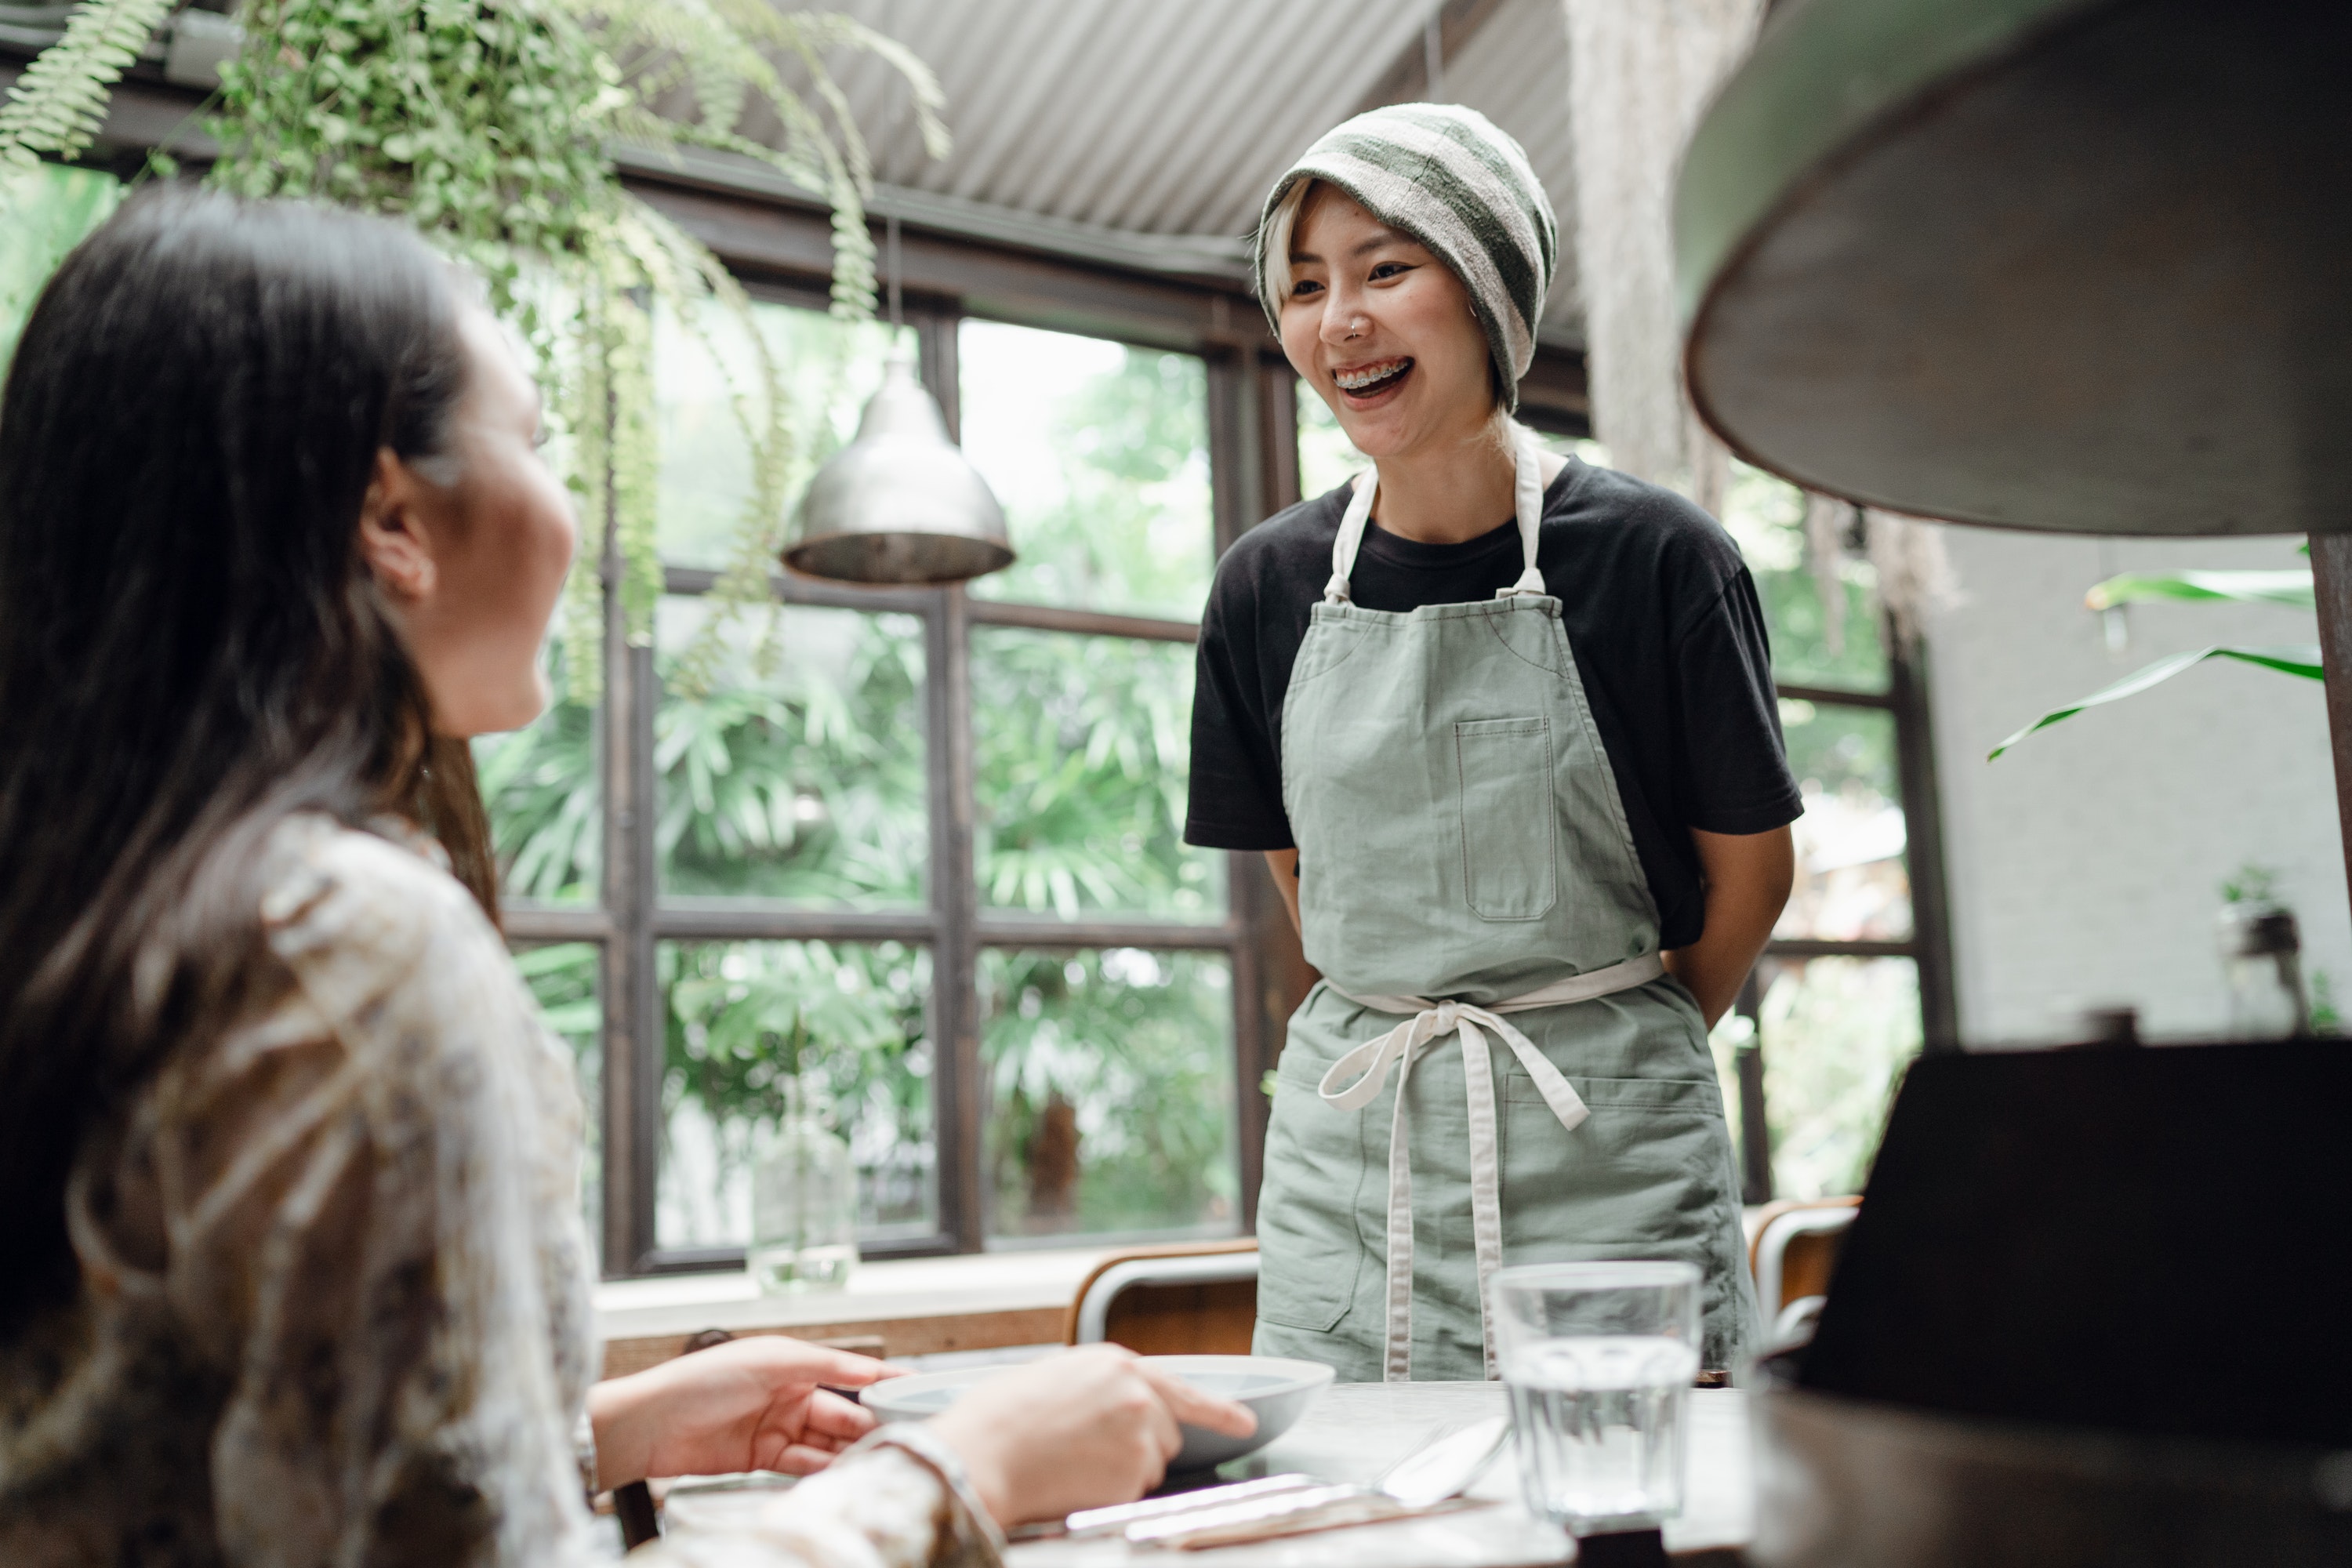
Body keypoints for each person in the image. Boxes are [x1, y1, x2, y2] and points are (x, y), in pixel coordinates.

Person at [0, 186, 1250, 1567]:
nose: (575, 513)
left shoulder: (116, 910)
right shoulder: (350, 951)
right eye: (538, 446)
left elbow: (218, 1467)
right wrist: (959, 1469)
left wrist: (618, 1423)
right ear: (390, 517)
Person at [1186, 105, 1799, 1383]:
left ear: (1486, 293)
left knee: (1628, 1501)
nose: (1336, 318)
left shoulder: (1656, 556)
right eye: (1302, 287)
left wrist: (1624, 1045)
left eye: (1383, 269)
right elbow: (1308, 881)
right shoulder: (1266, 586)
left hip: (1608, 1145)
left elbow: (1751, 867)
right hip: (1359, 1158)